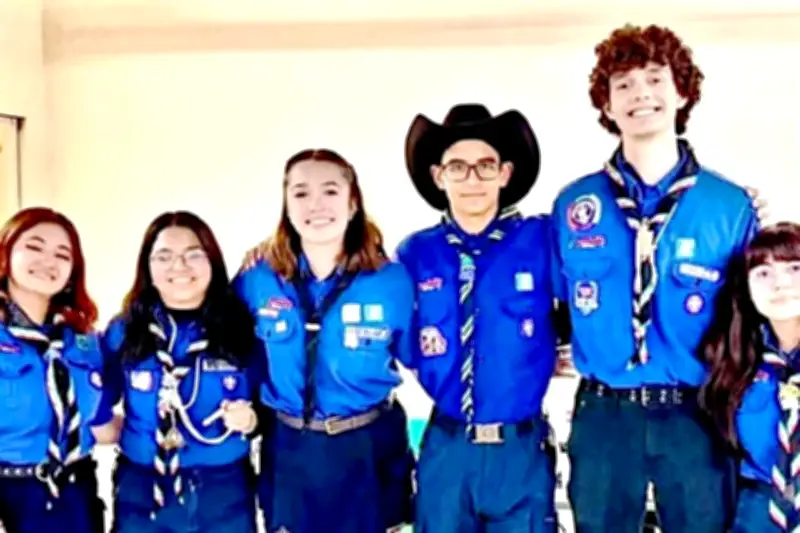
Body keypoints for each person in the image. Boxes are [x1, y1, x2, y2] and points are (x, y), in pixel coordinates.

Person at [551, 24, 762, 532]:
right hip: (605, 414)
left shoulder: (729, 206)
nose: (640, 94)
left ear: (682, 92)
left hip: (696, 415)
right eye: (622, 84)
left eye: (654, 78)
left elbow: (752, 316)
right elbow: (556, 303)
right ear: (606, 105)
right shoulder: (575, 205)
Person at [233, 148, 417, 533]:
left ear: (352, 204)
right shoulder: (257, 279)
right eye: (301, 193)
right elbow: (233, 352)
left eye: (330, 191)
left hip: (367, 448)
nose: (316, 205)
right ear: (286, 206)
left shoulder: (392, 281)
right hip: (290, 450)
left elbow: (421, 356)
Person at [396, 103, 560, 532]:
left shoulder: (542, 240)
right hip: (448, 445)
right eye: (457, 167)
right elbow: (406, 343)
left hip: (520, 447)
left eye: (485, 166)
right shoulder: (415, 254)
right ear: (438, 176)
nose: (472, 180)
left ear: (505, 173)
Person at [102, 211, 266, 533]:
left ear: (212, 261)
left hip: (223, 490)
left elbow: (272, 405)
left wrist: (251, 420)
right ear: (147, 267)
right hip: (142, 488)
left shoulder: (241, 327)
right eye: (164, 256)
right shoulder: (126, 330)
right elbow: (97, 400)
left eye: (193, 254)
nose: (179, 266)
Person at [0, 207, 118, 533]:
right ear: (6, 253)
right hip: (11, 498)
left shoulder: (84, 342)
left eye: (62, 254)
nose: (48, 261)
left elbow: (101, 424)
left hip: (76, 494)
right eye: (34, 247)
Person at [701, 222, 800, 533]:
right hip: (758, 511)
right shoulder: (737, 361)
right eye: (763, 273)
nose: (780, 284)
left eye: (794, 268)